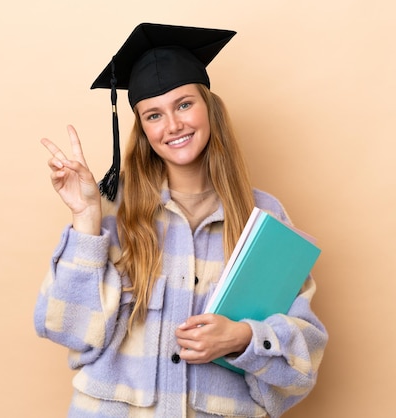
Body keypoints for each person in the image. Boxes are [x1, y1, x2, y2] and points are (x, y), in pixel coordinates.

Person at [34, 23, 328, 418]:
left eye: (184, 104)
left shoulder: (264, 218)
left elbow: (302, 365)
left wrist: (242, 338)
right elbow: (67, 329)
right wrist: (86, 218)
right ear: (143, 130)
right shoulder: (111, 210)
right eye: (154, 114)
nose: (173, 125)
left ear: (210, 108)